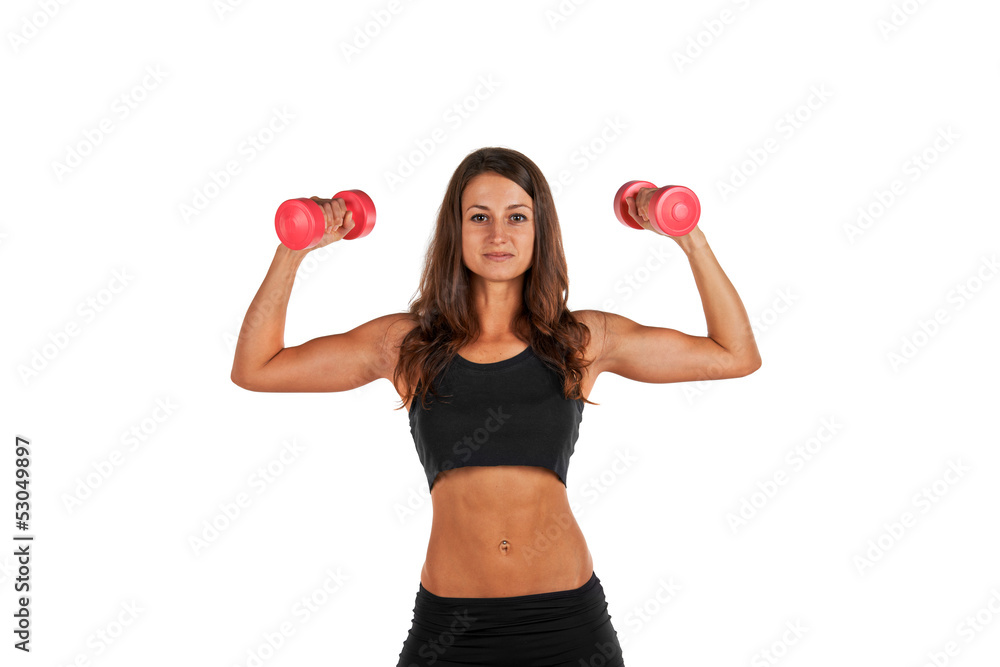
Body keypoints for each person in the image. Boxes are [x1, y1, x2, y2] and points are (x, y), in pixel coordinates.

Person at [231, 146, 761, 666]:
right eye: (479, 216)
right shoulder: (407, 345)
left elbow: (734, 355)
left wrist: (685, 234)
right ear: (455, 230)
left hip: (566, 624)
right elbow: (258, 368)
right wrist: (294, 248)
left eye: (517, 216)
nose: (498, 234)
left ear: (539, 231)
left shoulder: (581, 340)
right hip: (451, 628)